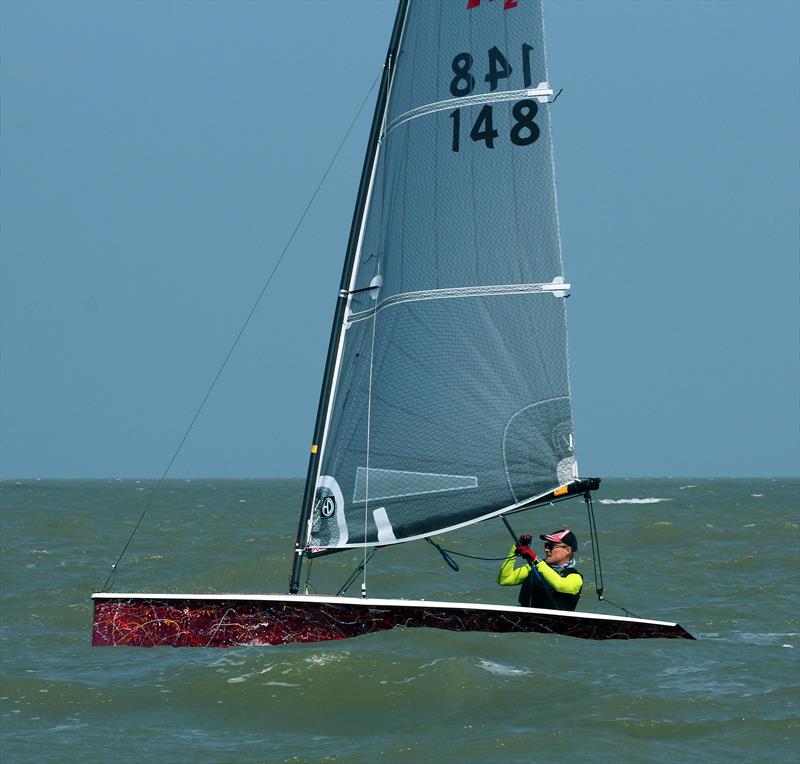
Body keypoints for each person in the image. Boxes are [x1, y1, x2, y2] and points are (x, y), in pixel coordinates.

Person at [497, 528, 583, 610]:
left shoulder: (575, 577)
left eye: (551, 546)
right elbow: (504, 580)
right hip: (526, 619)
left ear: (567, 550)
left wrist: (536, 560)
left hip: (557, 622)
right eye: (546, 545)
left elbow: (560, 585)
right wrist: (515, 549)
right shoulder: (533, 568)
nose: (546, 549)